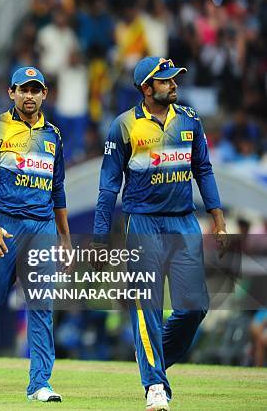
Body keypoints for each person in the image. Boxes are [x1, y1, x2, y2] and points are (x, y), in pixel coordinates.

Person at [92, 56, 228, 411]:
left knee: (195, 306)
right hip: (143, 223)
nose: (174, 85)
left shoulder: (190, 120)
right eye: (166, 81)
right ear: (146, 88)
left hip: (183, 222)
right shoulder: (122, 126)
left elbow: (204, 169)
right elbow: (108, 187)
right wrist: (100, 235)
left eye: (174, 79)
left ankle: (152, 362)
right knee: (147, 306)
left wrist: (218, 216)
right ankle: (154, 384)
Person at [0, 66, 70, 402]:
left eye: (35, 90)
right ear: (11, 93)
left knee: (41, 307)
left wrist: (64, 237)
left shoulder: (54, 137)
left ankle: (40, 383)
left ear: (44, 94)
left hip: (42, 227)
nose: (29, 96)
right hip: (4, 225)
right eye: (23, 90)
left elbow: (58, 189)